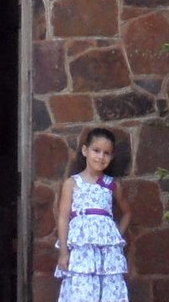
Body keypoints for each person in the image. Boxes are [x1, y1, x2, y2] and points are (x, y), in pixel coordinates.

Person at [55, 127, 131, 302]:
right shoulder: (72, 183)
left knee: (108, 292)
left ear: (111, 157)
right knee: (81, 291)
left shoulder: (112, 185)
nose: (101, 157)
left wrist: (116, 236)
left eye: (106, 153)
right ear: (85, 151)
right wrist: (64, 252)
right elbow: (63, 217)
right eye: (96, 151)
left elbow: (127, 213)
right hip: (82, 253)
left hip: (107, 254)